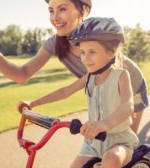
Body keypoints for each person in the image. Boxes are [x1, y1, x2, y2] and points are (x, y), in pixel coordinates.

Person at [0, 0, 148, 133]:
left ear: (83, 10)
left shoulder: (98, 36)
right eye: (51, 10)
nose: (55, 17)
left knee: (121, 146)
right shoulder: (56, 43)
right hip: (102, 93)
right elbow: (22, 74)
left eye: (62, 9)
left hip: (131, 88)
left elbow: (117, 86)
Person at [18, 17, 139, 168]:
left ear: (111, 53)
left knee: (111, 159)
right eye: (82, 52)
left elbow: (128, 106)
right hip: (93, 143)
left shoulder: (121, 75)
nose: (85, 59)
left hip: (119, 141)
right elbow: (64, 92)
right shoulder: (88, 78)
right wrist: (33, 103)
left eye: (92, 52)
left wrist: (104, 124)